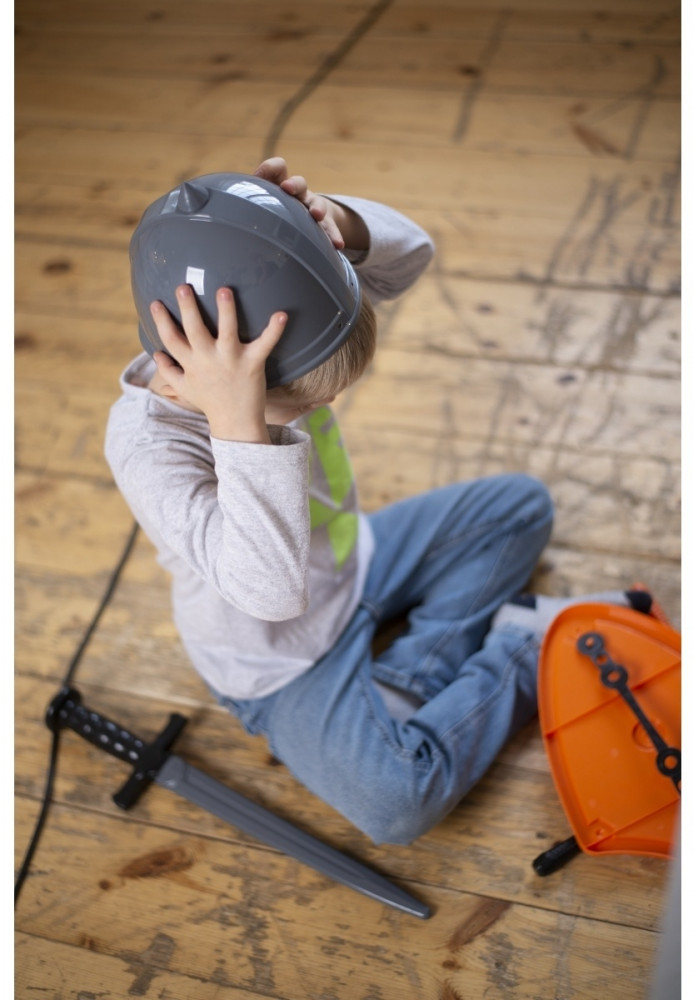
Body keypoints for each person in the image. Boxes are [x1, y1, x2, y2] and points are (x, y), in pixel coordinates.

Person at [105, 158, 653, 845]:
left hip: (357, 561)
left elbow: (411, 256)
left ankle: (410, 677)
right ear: (211, 384)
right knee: (398, 806)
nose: (329, 403)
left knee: (520, 506)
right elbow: (270, 592)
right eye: (301, 403)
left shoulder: (276, 325)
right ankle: (523, 647)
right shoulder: (149, 446)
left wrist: (333, 225)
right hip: (280, 656)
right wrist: (236, 424)